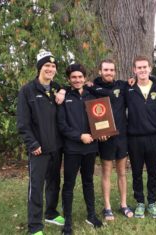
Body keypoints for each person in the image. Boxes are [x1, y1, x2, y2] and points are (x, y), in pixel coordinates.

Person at [17, 49, 66, 235]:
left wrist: (62, 90)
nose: (50, 69)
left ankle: (51, 213)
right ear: (39, 68)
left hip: (56, 147)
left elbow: (68, 86)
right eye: (47, 65)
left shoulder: (55, 88)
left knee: (54, 183)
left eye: (53, 66)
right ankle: (35, 226)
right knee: (36, 187)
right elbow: (23, 123)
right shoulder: (27, 91)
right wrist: (33, 144)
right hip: (38, 148)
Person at [57, 63, 103, 235]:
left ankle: (91, 215)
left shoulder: (92, 97)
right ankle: (67, 222)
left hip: (90, 148)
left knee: (88, 182)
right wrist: (79, 136)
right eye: (73, 77)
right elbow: (62, 125)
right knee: (69, 184)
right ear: (69, 80)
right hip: (72, 149)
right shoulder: (63, 98)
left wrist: (101, 133)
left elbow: (100, 119)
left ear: (85, 78)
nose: (77, 80)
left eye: (80, 77)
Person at [86, 59, 133, 220]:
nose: (109, 73)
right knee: (106, 172)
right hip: (106, 138)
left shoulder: (122, 85)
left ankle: (124, 204)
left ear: (115, 71)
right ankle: (107, 207)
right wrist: (63, 91)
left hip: (122, 137)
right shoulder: (92, 88)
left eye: (112, 70)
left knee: (122, 173)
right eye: (106, 70)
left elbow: (144, 78)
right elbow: (76, 89)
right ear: (100, 71)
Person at [125, 55, 156, 219]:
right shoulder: (128, 89)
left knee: (152, 172)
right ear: (134, 70)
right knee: (136, 172)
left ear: (150, 68)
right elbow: (107, 86)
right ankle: (140, 202)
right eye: (139, 68)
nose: (142, 70)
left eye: (145, 67)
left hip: (154, 138)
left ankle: (152, 202)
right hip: (134, 138)